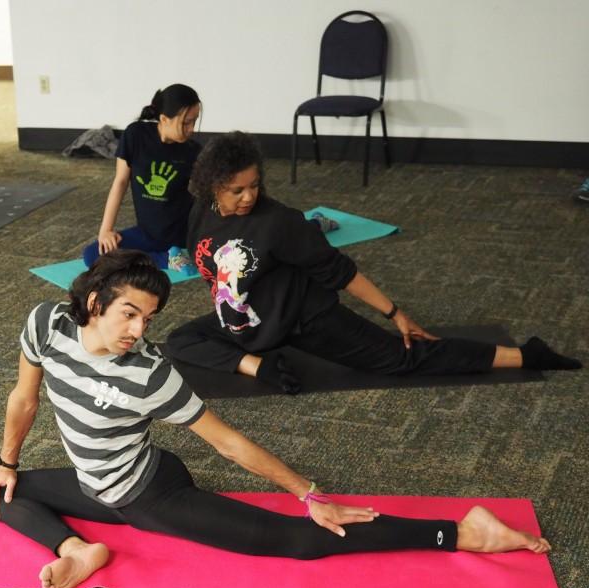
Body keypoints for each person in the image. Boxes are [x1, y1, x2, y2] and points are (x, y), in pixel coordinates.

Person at [0, 250, 550, 588]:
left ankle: (465, 531)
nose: (138, 331)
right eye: (130, 313)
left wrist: (309, 494)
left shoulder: (151, 374)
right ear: (95, 299)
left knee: (295, 543)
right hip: (88, 483)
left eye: (148, 319)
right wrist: (6, 462)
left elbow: (228, 443)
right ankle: (77, 549)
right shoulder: (45, 325)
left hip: (148, 492)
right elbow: (24, 399)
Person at [166, 132, 581, 394]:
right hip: (248, 326)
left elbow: (340, 272)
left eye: (255, 185)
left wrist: (395, 313)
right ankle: (260, 366)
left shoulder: (281, 223)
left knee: (400, 361)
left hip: (304, 319)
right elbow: (213, 277)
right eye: (236, 190)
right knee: (180, 340)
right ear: (212, 187)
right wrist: (255, 358)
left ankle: (526, 355)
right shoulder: (201, 214)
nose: (248, 196)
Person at [83, 84, 202, 270]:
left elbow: (204, 196)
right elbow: (120, 182)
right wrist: (106, 230)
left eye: (194, 122)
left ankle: (174, 254)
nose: (191, 129)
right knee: (92, 255)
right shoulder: (135, 135)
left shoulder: (193, 151)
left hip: (180, 234)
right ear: (164, 119)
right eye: (186, 123)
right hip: (147, 233)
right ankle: (167, 259)